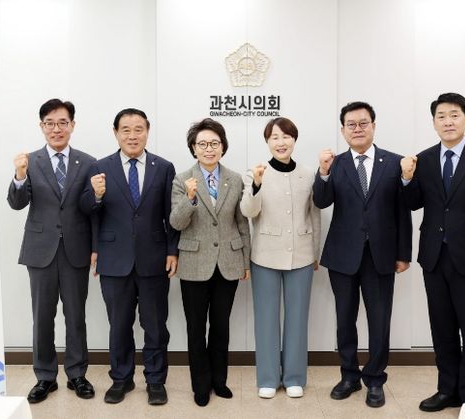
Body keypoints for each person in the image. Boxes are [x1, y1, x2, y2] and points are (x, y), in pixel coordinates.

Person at [400, 93, 465, 412]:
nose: (448, 121)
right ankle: (447, 389)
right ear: (434, 123)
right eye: (441, 116)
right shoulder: (424, 159)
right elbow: (413, 203)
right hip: (434, 258)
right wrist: (406, 179)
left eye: (454, 115)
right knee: (442, 328)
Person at [313, 102, 412, 408]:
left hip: (381, 255)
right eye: (351, 124)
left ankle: (375, 379)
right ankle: (349, 376)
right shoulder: (336, 164)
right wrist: (323, 172)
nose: (357, 129)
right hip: (342, 255)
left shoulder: (394, 163)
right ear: (343, 130)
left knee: (379, 320)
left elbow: (403, 211)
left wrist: (403, 253)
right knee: (345, 319)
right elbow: (321, 201)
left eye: (363, 123)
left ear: (373, 126)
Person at [80, 108, 179, 406]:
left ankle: (155, 380)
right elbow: (86, 211)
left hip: (154, 258)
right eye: (126, 129)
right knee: (119, 325)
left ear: (147, 131)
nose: (132, 135)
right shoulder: (100, 167)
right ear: (116, 133)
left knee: (155, 325)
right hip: (113, 259)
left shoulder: (164, 167)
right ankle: (121, 379)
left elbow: (172, 215)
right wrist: (95, 195)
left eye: (138, 129)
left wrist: (172, 250)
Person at [7, 98, 97, 403]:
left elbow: (91, 209)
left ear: (72, 125)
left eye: (62, 123)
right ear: (41, 126)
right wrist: (20, 176)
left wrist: (95, 248)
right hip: (40, 250)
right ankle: (45, 377)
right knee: (42, 317)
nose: (56, 129)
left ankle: (77, 374)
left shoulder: (88, 162)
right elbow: (17, 203)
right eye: (50, 123)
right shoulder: (29, 162)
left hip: (76, 249)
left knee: (76, 316)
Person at [169, 118, 250, 407]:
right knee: (195, 328)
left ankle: (219, 380)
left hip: (228, 261)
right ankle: (200, 385)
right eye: (202, 144)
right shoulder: (182, 180)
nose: (208, 148)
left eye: (214, 143)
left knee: (220, 326)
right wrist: (190, 198)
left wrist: (246, 261)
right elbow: (176, 223)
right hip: (194, 263)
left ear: (223, 147)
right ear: (193, 148)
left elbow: (242, 223)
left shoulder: (235, 179)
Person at [239, 117, 320, 400]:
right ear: (267, 142)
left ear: (294, 140)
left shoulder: (308, 174)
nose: (281, 142)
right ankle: (268, 378)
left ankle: (295, 377)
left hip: (302, 255)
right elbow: (248, 211)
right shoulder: (255, 173)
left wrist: (315, 253)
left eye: (286, 136)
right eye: (274, 137)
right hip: (265, 255)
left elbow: (314, 215)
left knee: (298, 317)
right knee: (266, 318)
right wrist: (257, 184)